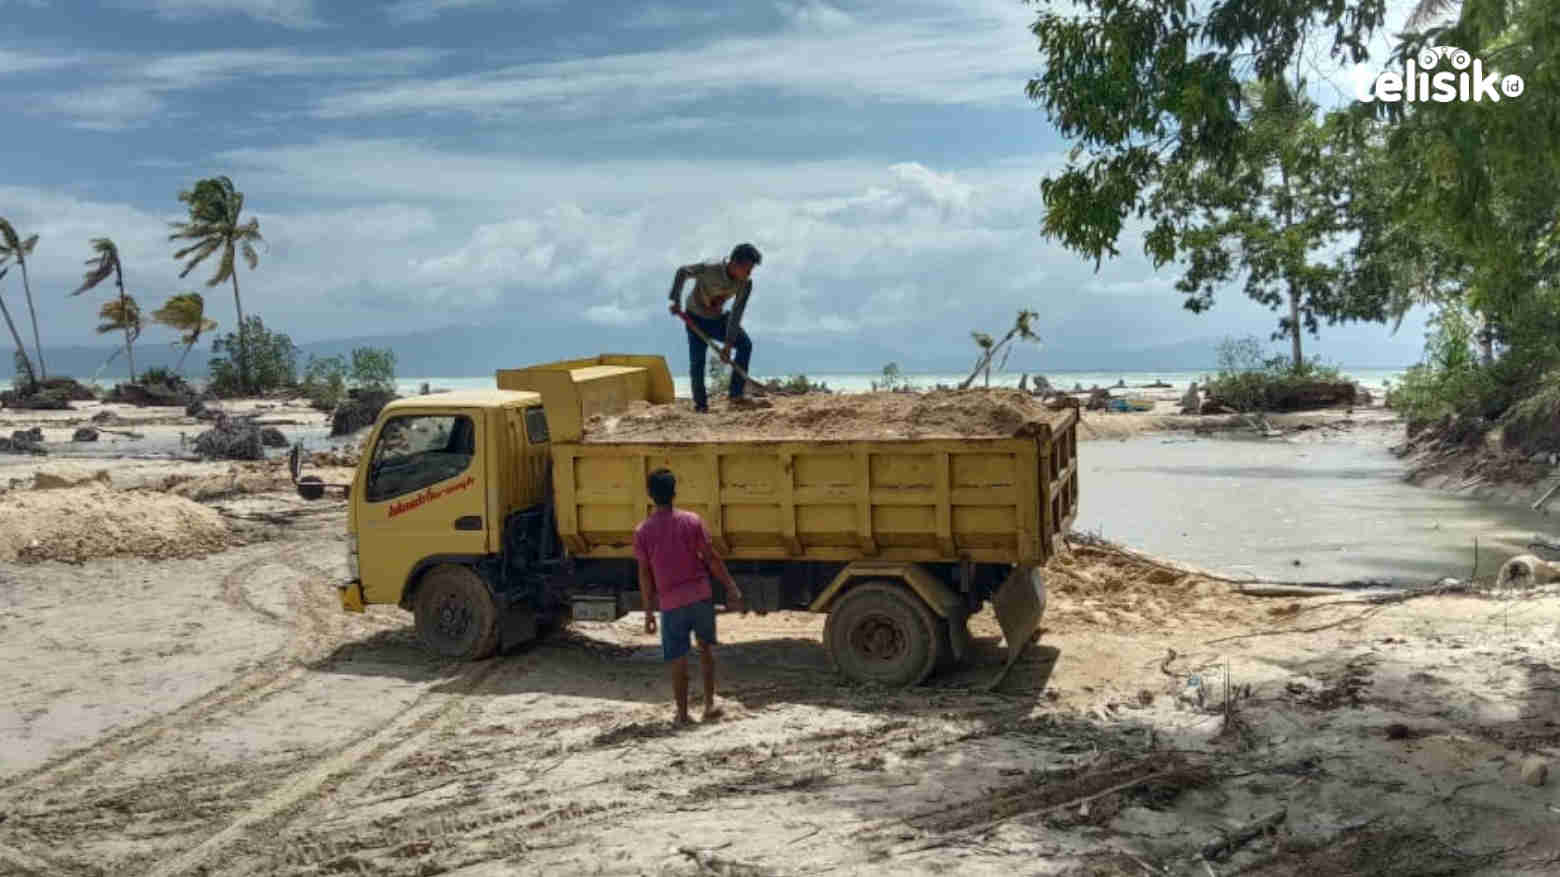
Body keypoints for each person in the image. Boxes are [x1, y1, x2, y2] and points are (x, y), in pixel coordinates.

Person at [634, 467, 745, 724]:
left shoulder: (643, 531)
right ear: (675, 492)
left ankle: (683, 715)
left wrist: (649, 612)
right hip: (700, 597)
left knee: (677, 659)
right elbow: (712, 558)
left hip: (671, 603)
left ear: (650, 495)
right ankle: (708, 705)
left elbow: (644, 575)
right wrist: (731, 587)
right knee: (706, 651)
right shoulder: (692, 521)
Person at [668, 243, 762, 413]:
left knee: (745, 345)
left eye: (751, 270)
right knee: (697, 362)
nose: (749, 274)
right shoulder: (710, 268)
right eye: (747, 269)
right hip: (694, 318)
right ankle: (701, 405)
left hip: (718, 319)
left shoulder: (745, 284)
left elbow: (736, 313)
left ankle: (736, 394)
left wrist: (728, 343)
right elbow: (683, 271)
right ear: (734, 263)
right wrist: (676, 300)